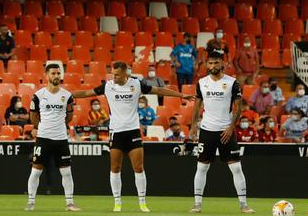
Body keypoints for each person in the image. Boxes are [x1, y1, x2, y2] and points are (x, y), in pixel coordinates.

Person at [74, 62, 193, 212]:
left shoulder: (136, 84)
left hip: (133, 131)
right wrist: (65, 95)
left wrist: (182, 95)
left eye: (116, 74)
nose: (114, 76)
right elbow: (86, 93)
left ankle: (142, 203)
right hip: (116, 132)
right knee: (115, 168)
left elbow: (158, 90)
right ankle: (117, 203)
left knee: (138, 167)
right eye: (113, 73)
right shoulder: (107, 86)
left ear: (125, 74)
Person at [189, 52, 251, 214]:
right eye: (210, 63)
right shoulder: (202, 83)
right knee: (201, 168)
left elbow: (239, 107)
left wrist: (231, 127)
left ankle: (243, 205)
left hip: (226, 131)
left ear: (222, 63)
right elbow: (197, 105)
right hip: (207, 130)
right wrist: (193, 125)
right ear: (206, 64)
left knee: (236, 168)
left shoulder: (232, 83)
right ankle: (197, 204)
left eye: (216, 63)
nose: (213, 66)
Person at [25, 63, 78, 211]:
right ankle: (31, 201)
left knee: (66, 172)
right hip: (43, 138)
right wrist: (41, 127)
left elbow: (69, 117)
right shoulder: (38, 95)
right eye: (53, 73)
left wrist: (59, 125)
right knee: (36, 171)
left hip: (61, 139)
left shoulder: (66, 96)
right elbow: (33, 116)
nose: (56, 76)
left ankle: (69, 203)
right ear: (47, 76)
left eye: (58, 73)